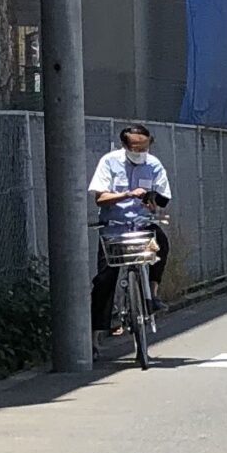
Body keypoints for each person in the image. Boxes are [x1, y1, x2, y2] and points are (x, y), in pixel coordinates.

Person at [87, 124, 172, 339]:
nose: (141, 152)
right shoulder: (110, 161)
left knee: (161, 243)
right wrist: (127, 195)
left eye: (145, 146)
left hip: (141, 224)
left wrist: (153, 201)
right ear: (125, 145)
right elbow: (100, 198)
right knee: (105, 279)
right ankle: (95, 336)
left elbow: (163, 197)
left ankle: (152, 296)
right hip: (114, 227)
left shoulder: (153, 164)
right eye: (136, 147)